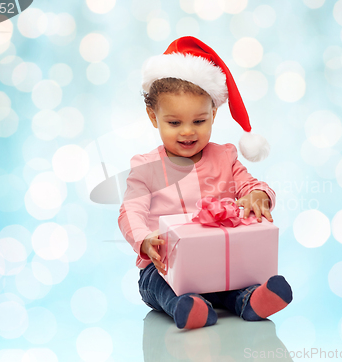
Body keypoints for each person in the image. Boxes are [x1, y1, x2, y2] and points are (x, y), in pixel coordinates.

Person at [118, 36, 292, 330]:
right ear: (153, 117)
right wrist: (144, 240)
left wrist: (259, 195)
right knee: (162, 286)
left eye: (199, 121)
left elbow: (249, 184)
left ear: (213, 114)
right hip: (164, 267)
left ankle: (252, 300)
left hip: (219, 265)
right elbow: (130, 211)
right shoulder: (146, 167)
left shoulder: (224, 157)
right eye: (174, 123)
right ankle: (186, 307)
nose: (187, 132)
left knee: (234, 282)